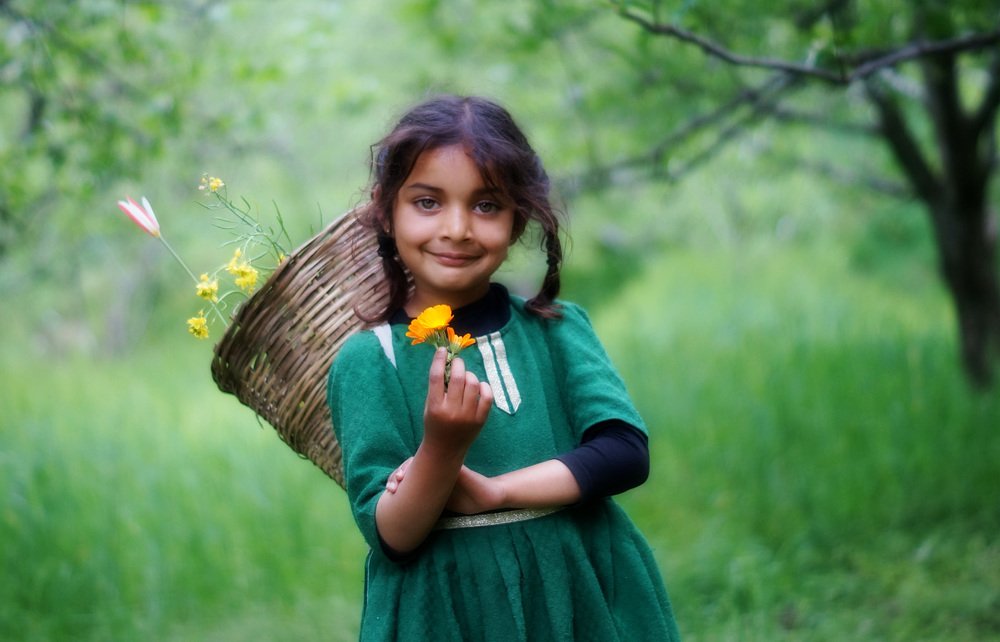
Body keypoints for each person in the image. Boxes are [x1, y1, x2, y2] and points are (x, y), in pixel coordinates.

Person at [327, 95, 681, 641]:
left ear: (519, 218)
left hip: (578, 596)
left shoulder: (555, 329)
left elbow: (623, 453)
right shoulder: (371, 359)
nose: (458, 228)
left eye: (486, 205)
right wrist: (441, 449)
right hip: (448, 614)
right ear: (384, 209)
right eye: (427, 202)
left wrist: (497, 492)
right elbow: (393, 535)